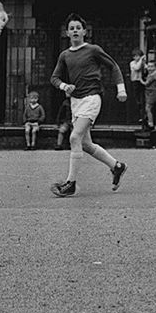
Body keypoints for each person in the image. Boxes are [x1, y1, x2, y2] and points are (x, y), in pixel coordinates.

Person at [49, 14, 128, 197]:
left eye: (78, 27)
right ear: (67, 32)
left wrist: (121, 89)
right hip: (75, 101)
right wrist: (64, 86)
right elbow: (54, 78)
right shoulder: (65, 55)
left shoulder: (93, 50)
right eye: (72, 28)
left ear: (85, 31)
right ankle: (117, 166)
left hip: (92, 98)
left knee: (74, 137)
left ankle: (71, 184)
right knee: (85, 144)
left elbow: (113, 66)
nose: (75, 30)